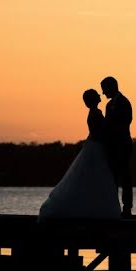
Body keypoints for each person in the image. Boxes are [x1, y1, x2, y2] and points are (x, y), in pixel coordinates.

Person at [38, 89, 122, 220]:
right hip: (97, 148)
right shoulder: (96, 113)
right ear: (94, 99)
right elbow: (100, 132)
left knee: (93, 178)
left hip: (94, 146)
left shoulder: (93, 113)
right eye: (96, 95)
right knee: (97, 177)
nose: (100, 95)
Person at [101, 76, 134, 217]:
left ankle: (127, 208)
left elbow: (125, 123)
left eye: (104, 89)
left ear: (112, 87)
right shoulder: (109, 105)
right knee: (112, 178)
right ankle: (113, 207)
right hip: (111, 147)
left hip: (122, 145)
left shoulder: (124, 102)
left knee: (125, 177)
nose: (103, 93)